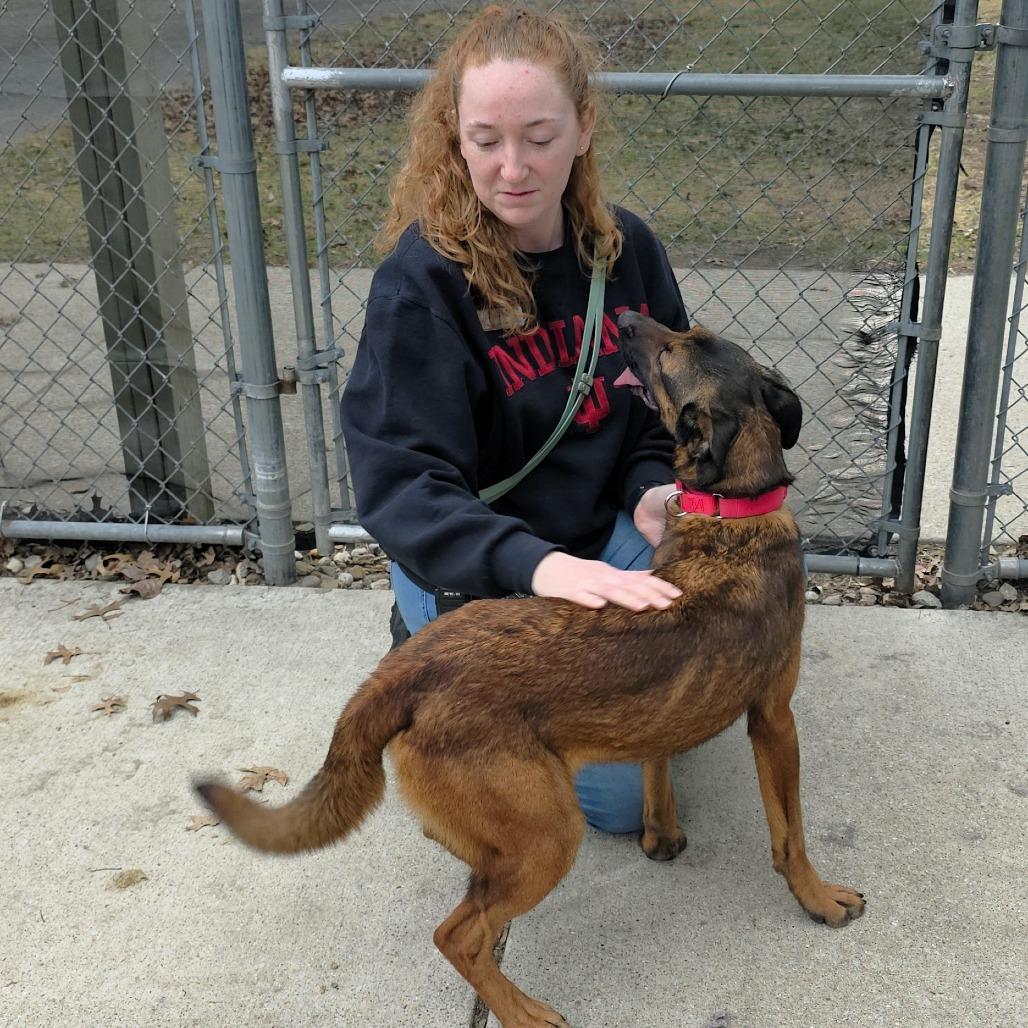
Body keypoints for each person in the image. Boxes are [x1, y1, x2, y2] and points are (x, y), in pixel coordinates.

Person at [340, 4, 690, 835]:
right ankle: (423, 629)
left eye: (538, 135)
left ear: (584, 128)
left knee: (643, 769)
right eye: (487, 138)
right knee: (603, 803)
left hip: (603, 534)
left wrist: (650, 490)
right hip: (482, 559)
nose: (513, 167)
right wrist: (535, 567)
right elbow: (402, 486)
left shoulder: (625, 249)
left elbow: (660, 410)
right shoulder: (421, 284)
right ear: (455, 138)